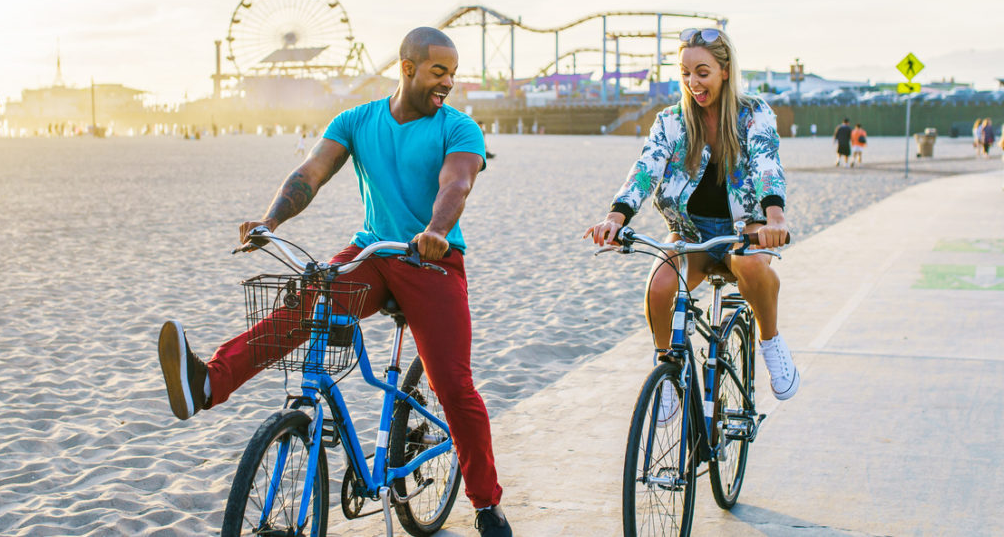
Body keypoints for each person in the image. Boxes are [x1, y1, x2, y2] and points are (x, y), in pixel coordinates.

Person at [156, 27, 512, 537]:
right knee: (306, 304)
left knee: (453, 386)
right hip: (372, 254)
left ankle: (486, 505)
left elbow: (457, 183)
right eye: (439, 71)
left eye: (453, 73)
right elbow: (311, 173)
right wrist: (270, 222)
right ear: (407, 67)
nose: (449, 83)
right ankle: (209, 382)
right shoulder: (357, 120)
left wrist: (435, 231)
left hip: (432, 260)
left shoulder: (459, 128)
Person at [583, 27, 799, 407]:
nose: (693, 82)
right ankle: (667, 369)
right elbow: (646, 168)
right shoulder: (671, 121)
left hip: (743, 227)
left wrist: (774, 218)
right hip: (689, 230)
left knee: (748, 265)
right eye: (685, 73)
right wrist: (616, 217)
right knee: (659, 286)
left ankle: (771, 343)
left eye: (702, 72)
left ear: (725, 71)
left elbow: (767, 162)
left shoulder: (754, 114)